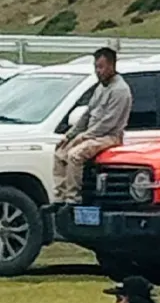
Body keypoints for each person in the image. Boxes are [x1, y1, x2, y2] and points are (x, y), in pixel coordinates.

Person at [52, 47, 132, 203]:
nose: (98, 71)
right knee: (60, 153)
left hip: (109, 137)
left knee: (75, 155)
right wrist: (69, 136)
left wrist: (84, 136)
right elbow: (87, 114)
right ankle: (60, 197)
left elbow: (108, 122)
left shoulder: (120, 90)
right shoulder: (100, 88)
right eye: (96, 67)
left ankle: (73, 198)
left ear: (112, 66)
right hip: (92, 135)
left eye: (101, 67)